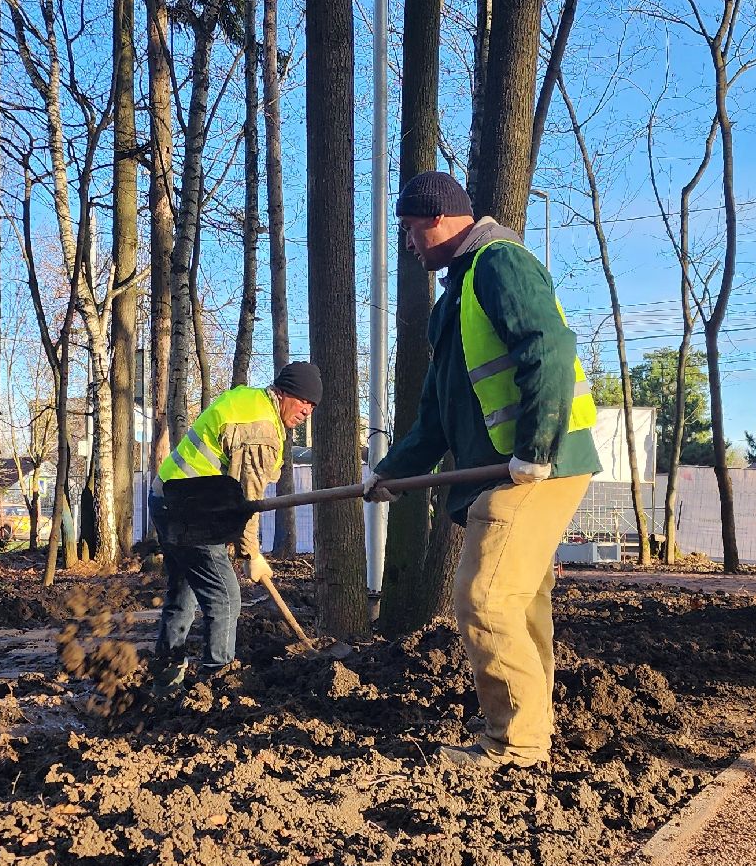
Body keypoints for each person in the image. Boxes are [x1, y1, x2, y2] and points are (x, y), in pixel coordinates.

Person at [363, 172, 601, 768]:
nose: (408, 244)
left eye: (410, 230)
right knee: (519, 600)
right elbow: (436, 413)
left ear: (438, 219)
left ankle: (514, 742)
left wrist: (536, 449)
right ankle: (531, 725)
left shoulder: (500, 263)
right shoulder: (454, 300)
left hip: (537, 465)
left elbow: (548, 347)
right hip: (512, 466)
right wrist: (390, 474)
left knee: (484, 597)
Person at [150, 361, 320, 682]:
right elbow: (247, 499)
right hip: (190, 508)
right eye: (303, 401)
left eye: (312, 405)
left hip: (166, 497)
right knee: (226, 596)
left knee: (183, 590)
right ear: (283, 392)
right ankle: (217, 680)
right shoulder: (262, 429)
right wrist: (251, 554)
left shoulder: (251, 401)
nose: (307, 410)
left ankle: (166, 678)